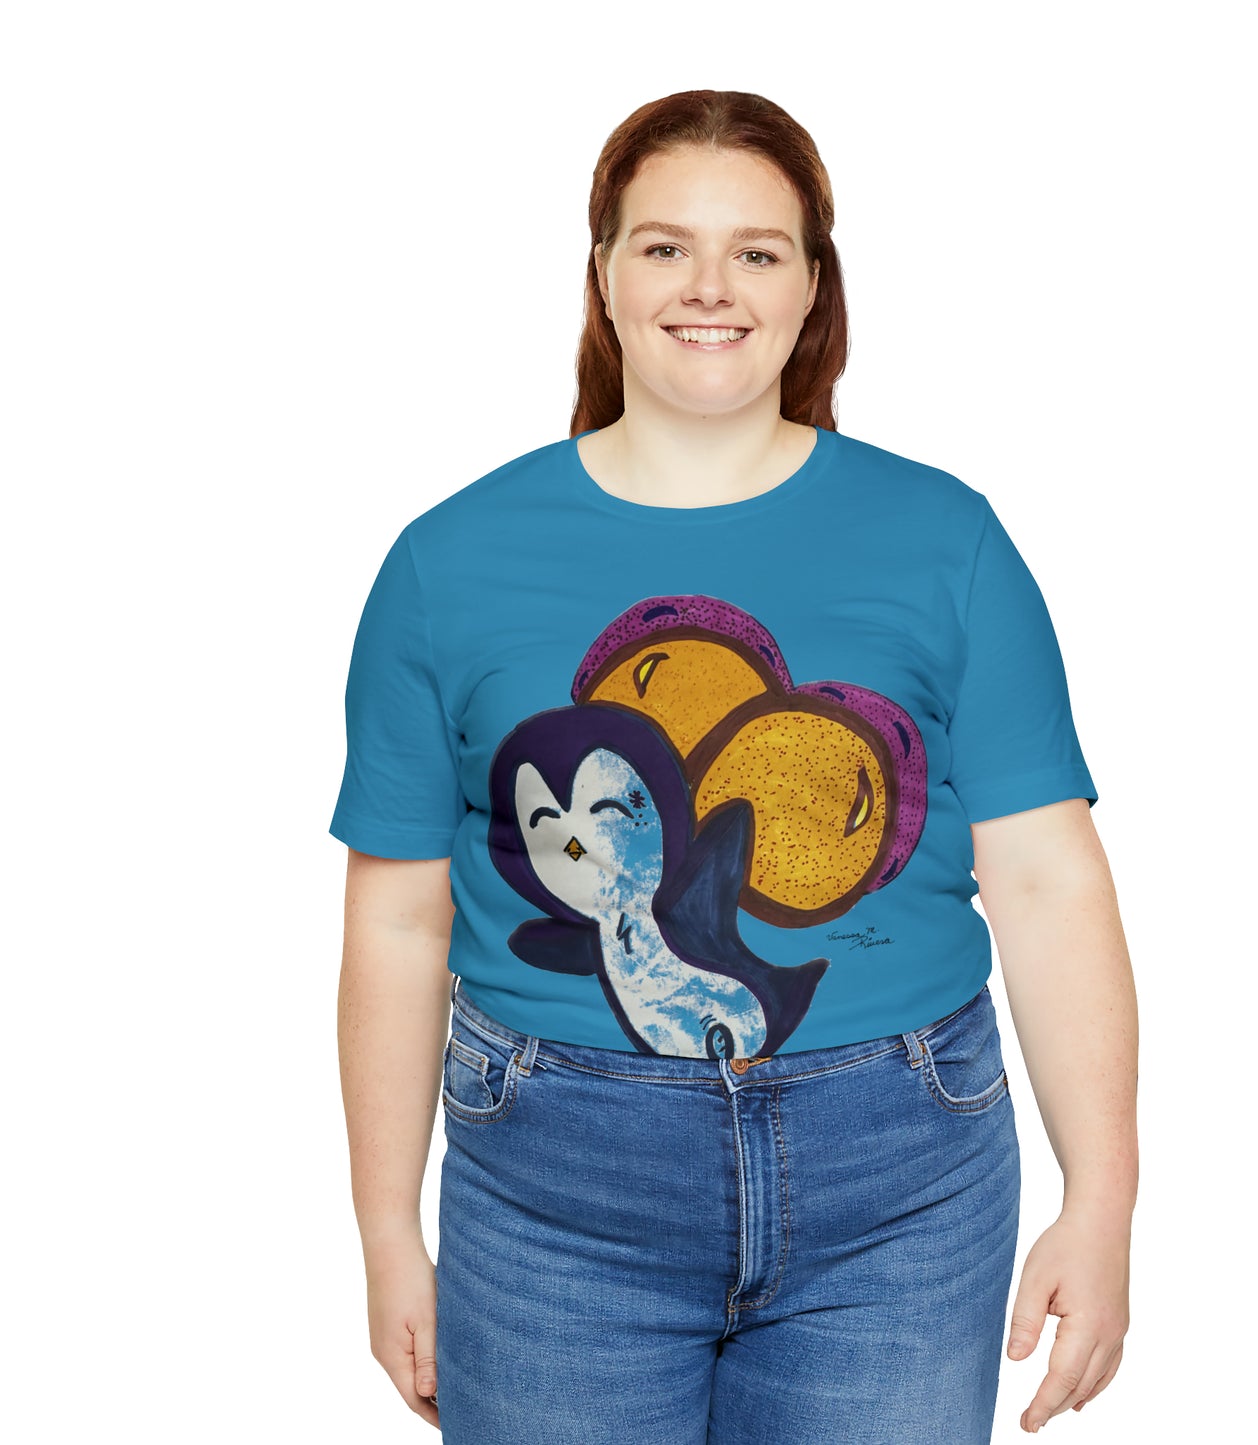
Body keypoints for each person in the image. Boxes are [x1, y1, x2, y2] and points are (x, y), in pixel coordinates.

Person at [331, 89, 1138, 1443]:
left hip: (902, 1187)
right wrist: (384, 1234)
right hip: (551, 1200)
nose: (709, 286)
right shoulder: (446, 561)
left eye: (756, 251)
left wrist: (1102, 1200)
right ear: (603, 273)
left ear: (812, 285)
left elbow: (1050, 884)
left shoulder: (946, 539)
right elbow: (397, 922)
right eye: (665, 246)